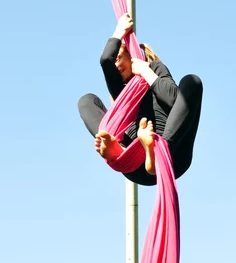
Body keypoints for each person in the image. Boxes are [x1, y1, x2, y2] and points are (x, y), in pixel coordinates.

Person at [78, 13, 203, 185]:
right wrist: (119, 31)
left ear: (132, 56)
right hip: (134, 162)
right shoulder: (122, 91)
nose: (116, 64)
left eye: (119, 58)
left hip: (173, 156)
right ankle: (118, 147)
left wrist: (145, 71)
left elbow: (173, 100)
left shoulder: (153, 68)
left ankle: (159, 149)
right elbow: (105, 60)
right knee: (86, 100)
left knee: (192, 82)